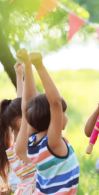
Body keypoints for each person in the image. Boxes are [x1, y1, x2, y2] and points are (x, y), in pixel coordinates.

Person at [15, 49, 80, 195]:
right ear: (53, 119)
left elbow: (28, 102)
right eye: (63, 112)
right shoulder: (53, 144)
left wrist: (27, 64)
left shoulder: (32, 142)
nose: (64, 115)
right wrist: (39, 66)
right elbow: (55, 102)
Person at [0, 62, 37, 195]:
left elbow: (22, 103)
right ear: (22, 122)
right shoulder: (26, 144)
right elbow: (25, 103)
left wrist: (20, 75)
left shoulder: (15, 148)